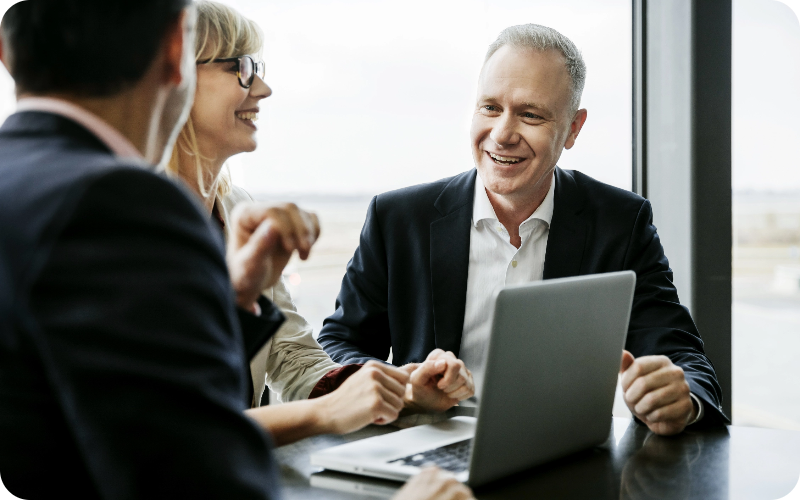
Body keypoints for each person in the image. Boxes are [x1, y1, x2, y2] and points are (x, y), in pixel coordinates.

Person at [0, 1, 473, 498]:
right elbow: (185, 463)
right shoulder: (120, 202)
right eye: (243, 68)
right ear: (175, 53)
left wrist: (233, 301)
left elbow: (127, 405)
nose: (263, 88)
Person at [318, 24, 730, 436]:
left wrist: (681, 399)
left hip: (560, 458)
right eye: (490, 108)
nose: (502, 134)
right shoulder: (398, 217)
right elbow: (337, 345)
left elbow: (684, 358)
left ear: (572, 129)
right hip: (425, 454)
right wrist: (402, 386)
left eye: (530, 114)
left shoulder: (621, 222)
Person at [166, 0, 475, 446]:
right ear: (177, 78)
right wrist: (325, 413)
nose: (264, 88)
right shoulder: (134, 220)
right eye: (244, 68)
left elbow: (292, 357)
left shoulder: (238, 210)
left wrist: (399, 389)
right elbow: (170, 417)